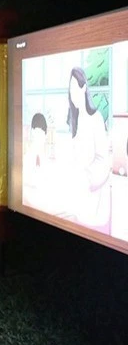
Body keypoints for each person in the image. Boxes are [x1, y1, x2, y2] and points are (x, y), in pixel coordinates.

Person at [65, 67, 111, 229]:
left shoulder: (95, 118)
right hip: (78, 195)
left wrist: (86, 177)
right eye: (70, 89)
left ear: (84, 87)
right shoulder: (75, 120)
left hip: (94, 200)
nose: (72, 94)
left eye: (75, 88)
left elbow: (103, 161)